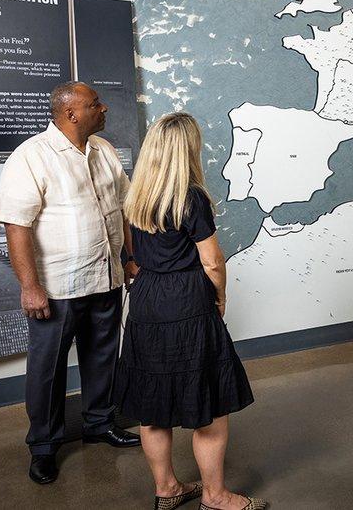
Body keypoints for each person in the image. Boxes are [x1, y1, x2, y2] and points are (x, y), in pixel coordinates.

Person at [112, 112, 264, 510]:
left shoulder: (137, 195)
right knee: (210, 408)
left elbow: (132, 250)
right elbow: (211, 261)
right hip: (187, 301)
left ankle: (167, 490)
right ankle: (215, 496)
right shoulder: (191, 198)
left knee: (152, 408)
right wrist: (221, 296)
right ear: (188, 150)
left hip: (146, 300)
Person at [0, 82, 141, 485]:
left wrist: (131, 257)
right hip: (57, 289)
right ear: (71, 114)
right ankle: (43, 447)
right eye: (95, 104)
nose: (104, 108)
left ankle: (99, 423)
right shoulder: (31, 156)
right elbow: (16, 225)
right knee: (47, 370)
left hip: (105, 277)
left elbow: (124, 209)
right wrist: (30, 287)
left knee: (103, 357)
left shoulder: (103, 151)